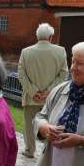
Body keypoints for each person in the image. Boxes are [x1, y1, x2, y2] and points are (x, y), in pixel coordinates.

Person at [18, 23, 68, 158]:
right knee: (50, 125)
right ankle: (47, 151)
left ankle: (29, 150)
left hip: (30, 97)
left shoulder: (26, 52)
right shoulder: (61, 51)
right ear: (51, 37)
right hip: (52, 99)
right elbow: (64, 75)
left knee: (29, 125)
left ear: (37, 36)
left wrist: (34, 92)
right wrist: (49, 92)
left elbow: (21, 75)